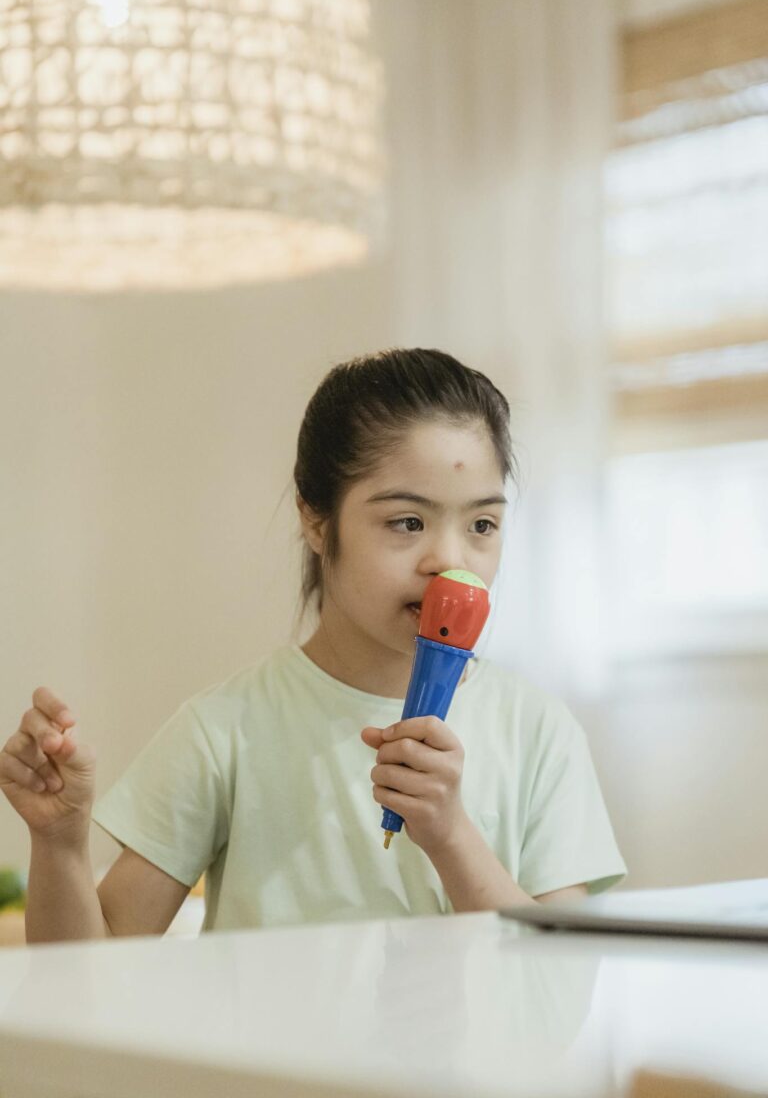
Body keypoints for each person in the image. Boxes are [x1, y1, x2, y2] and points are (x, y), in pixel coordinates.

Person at [0, 348, 626, 942]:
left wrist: (450, 835)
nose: (450, 560)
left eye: (482, 524)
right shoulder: (226, 730)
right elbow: (87, 974)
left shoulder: (541, 731)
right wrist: (58, 844)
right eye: (407, 522)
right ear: (316, 520)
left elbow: (561, 976)